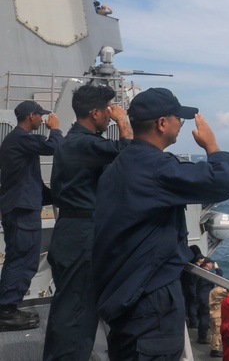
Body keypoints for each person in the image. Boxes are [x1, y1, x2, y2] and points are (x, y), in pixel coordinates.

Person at [92, 87, 229, 361]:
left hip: (122, 295)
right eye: (179, 119)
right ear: (162, 123)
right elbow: (223, 181)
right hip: (149, 303)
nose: (181, 125)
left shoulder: (118, 165)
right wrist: (212, 146)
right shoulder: (155, 168)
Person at [43, 83, 132, 361]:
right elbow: (128, 150)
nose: (109, 115)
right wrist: (124, 119)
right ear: (95, 113)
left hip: (71, 231)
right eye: (107, 110)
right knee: (77, 313)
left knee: (68, 308)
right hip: (81, 235)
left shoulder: (73, 142)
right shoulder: (83, 144)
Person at [0, 100, 62, 331]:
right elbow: (56, 147)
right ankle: (6, 311)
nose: (43, 120)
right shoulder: (21, 139)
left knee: (17, 258)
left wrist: (56, 196)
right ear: (31, 116)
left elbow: (28, 179)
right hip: (23, 211)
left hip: (19, 207)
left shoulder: (16, 141)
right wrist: (55, 128)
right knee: (23, 260)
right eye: (41, 116)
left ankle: (6, 308)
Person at [208, 281, 227, 357]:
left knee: (213, 333)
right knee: (217, 334)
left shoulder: (212, 290)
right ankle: (214, 350)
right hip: (217, 316)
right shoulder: (218, 290)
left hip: (213, 314)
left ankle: (213, 348)